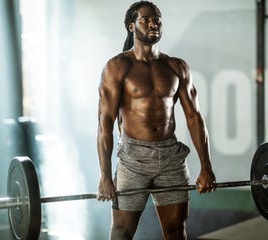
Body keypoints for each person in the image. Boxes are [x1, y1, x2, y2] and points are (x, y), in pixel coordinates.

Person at [97, 1, 216, 239]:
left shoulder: (176, 67)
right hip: (133, 159)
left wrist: (206, 166)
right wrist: (105, 176)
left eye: (158, 19)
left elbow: (194, 117)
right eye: (146, 19)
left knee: (175, 231)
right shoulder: (118, 66)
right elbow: (105, 123)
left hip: (171, 158)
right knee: (122, 231)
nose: (154, 23)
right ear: (132, 26)